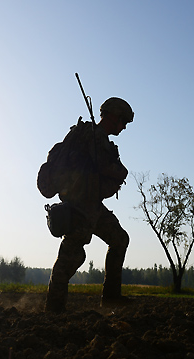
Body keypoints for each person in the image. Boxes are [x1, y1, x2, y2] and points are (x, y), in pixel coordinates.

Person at [44, 97, 134, 313]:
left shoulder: (99, 139)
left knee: (119, 239)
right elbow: (102, 167)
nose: (123, 126)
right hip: (80, 207)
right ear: (112, 116)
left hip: (94, 206)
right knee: (71, 256)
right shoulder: (90, 136)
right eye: (122, 121)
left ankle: (111, 298)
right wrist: (119, 171)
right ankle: (54, 309)